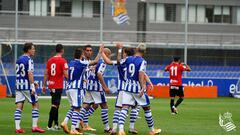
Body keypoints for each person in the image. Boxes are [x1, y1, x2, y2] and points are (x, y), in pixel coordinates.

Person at [117, 43, 161, 135]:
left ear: (137, 50)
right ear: (144, 52)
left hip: (127, 87)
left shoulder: (128, 59)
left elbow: (119, 61)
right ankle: (152, 130)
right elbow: (141, 73)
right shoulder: (143, 61)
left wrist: (120, 50)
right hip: (136, 88)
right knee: (147, 108)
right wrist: (143, 86)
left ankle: (121, 130)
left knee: (125, 108)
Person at [61, 47, 102, 134]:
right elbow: (95, 62)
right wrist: (100, 52)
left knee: (73, 107)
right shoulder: (81, 62)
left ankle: (65, 122)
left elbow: (72, 73)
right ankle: (73, 129)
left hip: (69, 87)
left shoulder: (71, 63)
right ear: (81, 55)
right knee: (77, 108)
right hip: (77, 88)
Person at [14, 42, 45, 133]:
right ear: (28, 50)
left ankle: (17, 128)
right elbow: (30, 73)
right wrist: (32, 86)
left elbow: (20, 73)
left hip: (18, 84)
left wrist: (33, 82)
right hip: (27, 86)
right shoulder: (29, 60)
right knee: (35, 104)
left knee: (19, 105)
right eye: (33, 48)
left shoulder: (18, 59)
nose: (34, 50)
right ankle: (34, 126)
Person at [82, 47, 113, 134]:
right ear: (106, 54)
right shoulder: (103, 62)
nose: (109, 57)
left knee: (86, 105)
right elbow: (99, 74)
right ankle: (107, 128)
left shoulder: (97, 61)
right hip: (96, 87)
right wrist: (105, 87)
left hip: (89, 85)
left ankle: (77, 124)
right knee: (104, 106)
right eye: (109, 55)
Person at [42, 44, 68, 130]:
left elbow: (46, 73)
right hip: (58, 85)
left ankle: (56, 124)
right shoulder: (63, 60)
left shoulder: (50, 60)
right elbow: (65, 74)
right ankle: (49, 125)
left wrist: (44, 85)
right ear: (62, 50)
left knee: (56, 105)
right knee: (54, 105)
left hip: (51, 84)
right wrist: (72, 79)